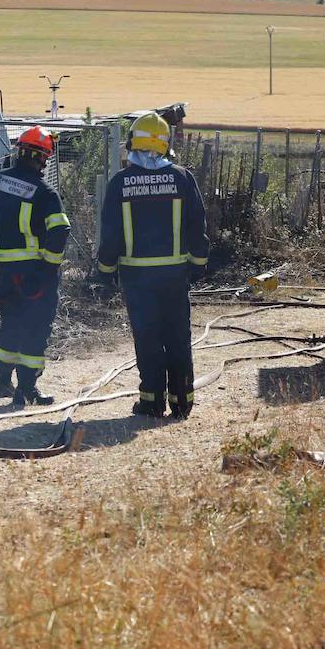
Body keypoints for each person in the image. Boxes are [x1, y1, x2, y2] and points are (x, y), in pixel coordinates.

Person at [96, 111, 209, 420]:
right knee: (178, 337)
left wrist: (104, 275)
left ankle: (151, 402)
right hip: (175, 275)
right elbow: (197, 227)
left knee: (148, 338)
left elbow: (110, 236)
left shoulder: (120, 183)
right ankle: (182, 402)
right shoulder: (182, 178)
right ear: (164, 144)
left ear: (133, 143)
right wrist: (197, 266)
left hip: (136, 277)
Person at [0, 126, 70, 407]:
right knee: (36, 328)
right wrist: (48, 268)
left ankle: (0, 381)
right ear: (43, 158)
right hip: (34, 272)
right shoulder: (46, 193)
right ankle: (26, 389)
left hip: (5, 270)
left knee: (10, 324)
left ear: (19, 151)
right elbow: (60, 230)